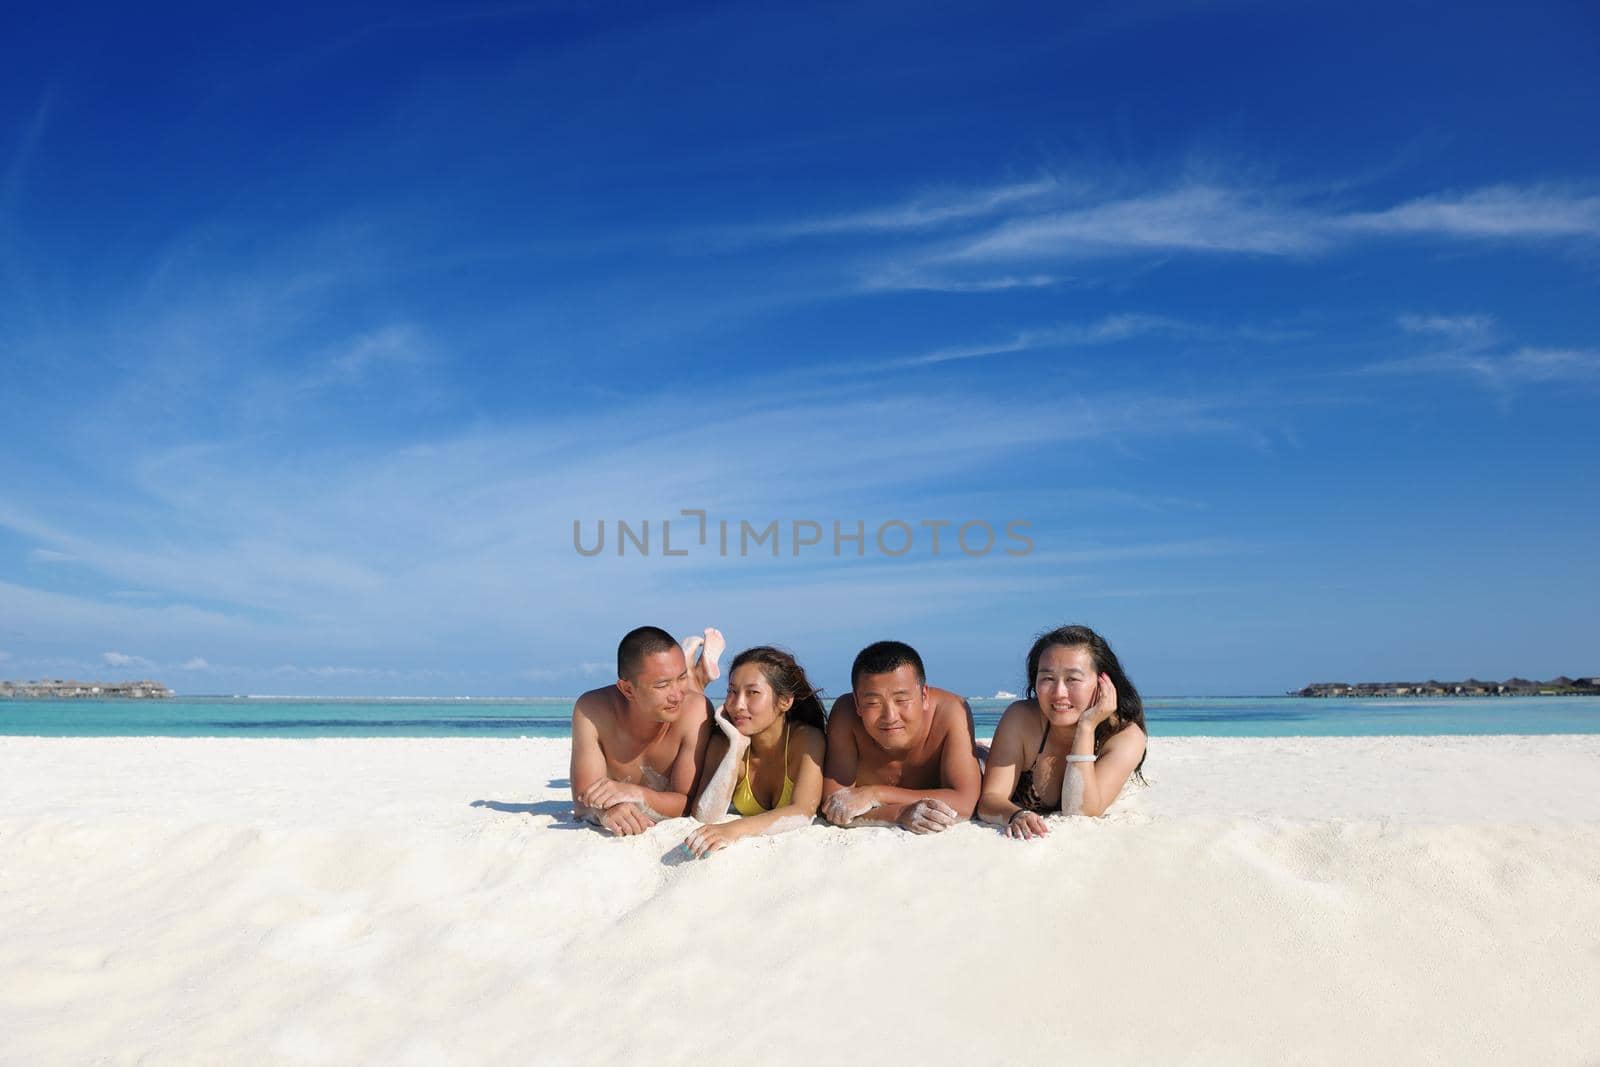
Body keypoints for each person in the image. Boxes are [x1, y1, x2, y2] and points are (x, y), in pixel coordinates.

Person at [977, 624, 1148, 838]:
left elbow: (1079, 812)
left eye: (1072, 679)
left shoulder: (1125, 737)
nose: (1058, 693)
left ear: (1103, 683)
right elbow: (990, 799)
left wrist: (1086, 727)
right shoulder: (1021, 718)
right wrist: (1016, 814)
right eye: (1047, 678)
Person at [569, 626, 723, 835]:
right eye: (662, 685)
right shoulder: (592, 711)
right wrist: (607, 811)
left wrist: (635, 794)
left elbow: (686, 803)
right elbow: (583, 800)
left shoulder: (696, 711)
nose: (677, 695)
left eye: (681, 678)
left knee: (693, 698)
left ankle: (697, 675)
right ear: (627, 689)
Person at [820, 640, 981, 833]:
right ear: (857, 702)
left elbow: (965, 802)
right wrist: (899, 813)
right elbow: (834, 805)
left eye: (902, 700)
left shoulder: (951, 710)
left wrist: (875, 794)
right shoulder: (846, 714)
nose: (890, 717)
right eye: (873, 703)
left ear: (924, 696)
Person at [683, 646, 828, 857]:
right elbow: (705, 815)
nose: (738, 705)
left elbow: (803, 812)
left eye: (752, 693)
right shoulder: (723, 742)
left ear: (785, 701)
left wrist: (733, 830)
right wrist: (736, 747)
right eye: (732, 691)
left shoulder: (807, 740)